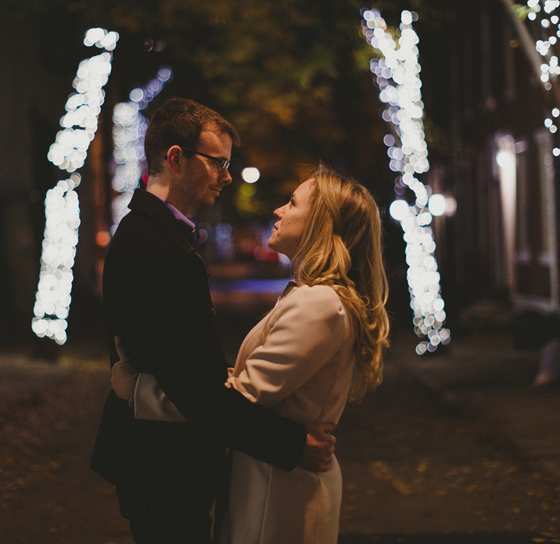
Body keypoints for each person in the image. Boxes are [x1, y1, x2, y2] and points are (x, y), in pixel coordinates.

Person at [90, 98, 336, 544]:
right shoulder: (151, 245)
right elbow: (193, 392)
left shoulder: (165, 237)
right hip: (161, 464)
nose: (226, 175)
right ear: (176, 158)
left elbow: (184, 371)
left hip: (170, 460)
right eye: (218, 162)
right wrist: (294, 446)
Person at [115, 165, 391, 544]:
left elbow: (237, 399)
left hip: (281, 490)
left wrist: (139, 391)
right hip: (270, 478)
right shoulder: (309, 296)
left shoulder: (320, 304)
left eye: (292, 203)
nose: (278, 210)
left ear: (320, 225)